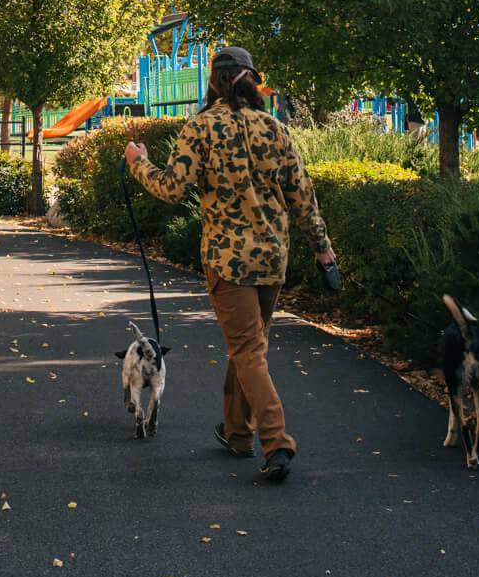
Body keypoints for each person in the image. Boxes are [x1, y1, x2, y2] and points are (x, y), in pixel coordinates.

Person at [124, 47, 334, 483]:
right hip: (273, 257)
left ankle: (276, 442)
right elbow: (303, 198)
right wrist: (323, 250)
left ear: (214, 83)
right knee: (249, 347)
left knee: (248, 350)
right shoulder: (276, 129)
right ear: (253, 82)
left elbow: (171, 188)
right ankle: (238, 434)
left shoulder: (201, 128)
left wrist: (138, 163)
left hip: (228, 260)